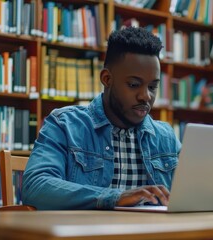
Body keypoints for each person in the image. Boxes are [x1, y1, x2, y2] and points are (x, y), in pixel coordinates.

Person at [22, 27, 181, 210]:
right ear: (107, 79)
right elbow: (35, 186)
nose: (146, 96)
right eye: (134, 84)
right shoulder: (65, 125)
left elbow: (194, 191)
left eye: (152, 87)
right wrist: (115, 197)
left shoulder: (166, 137)